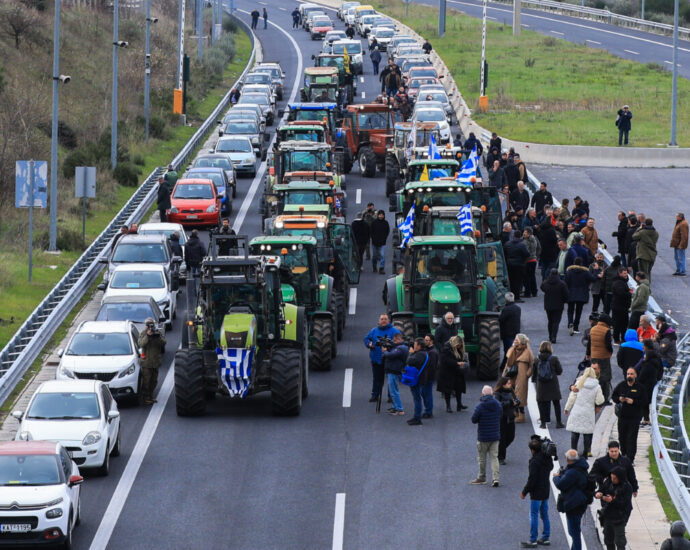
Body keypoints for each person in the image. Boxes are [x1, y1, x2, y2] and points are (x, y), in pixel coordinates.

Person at [553, 449, 589, 550]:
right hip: (580, 502)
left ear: (568, 459)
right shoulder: (581, 467)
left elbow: (561, 484)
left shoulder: (573, 472)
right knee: (574, 531)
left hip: (573, 503)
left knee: (574, 532)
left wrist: (556, 478)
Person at [520, 438, 554, 548]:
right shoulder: (547, 458)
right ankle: (545, 537)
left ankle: (533, 539)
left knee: (533, 515)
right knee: (545, 515)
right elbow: (551, 467)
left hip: (536, 493)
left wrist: (524, 492)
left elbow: (532, 480)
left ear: (532, 450)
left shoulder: (534, 462)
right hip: (545, 491)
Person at [565, 366, 605, 457]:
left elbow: (572, 397)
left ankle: (573, 451)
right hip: (589, 412)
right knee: (587, 433)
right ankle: (586, 453)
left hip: (577, 411)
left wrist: (567, 408)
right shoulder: (597, 386)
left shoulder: (579, 383)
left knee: (575, 431)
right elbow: (600, 401)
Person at [363, 313, 400, 403]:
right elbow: (366, 338)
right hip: (377, 359)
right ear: (379, 321)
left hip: (390, 359)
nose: (383, 321)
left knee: (391, 379)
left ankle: (391, 396)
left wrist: (390, 346)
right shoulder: (374, 331)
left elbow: (399, 343)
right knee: (377, 379)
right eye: (382, 319)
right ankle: (375, 395)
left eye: (385, 319)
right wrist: (369, 344)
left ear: (389, 321)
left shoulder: (394, 331)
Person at [612, 368, 647, 462]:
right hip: (622, 416)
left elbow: (644, 401)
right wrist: (619, 399)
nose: (629, 376)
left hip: (634, 417)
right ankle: (623, 454)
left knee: (631, 438)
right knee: (622, 437)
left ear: (635, 375)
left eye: (631, 374)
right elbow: (614, 396)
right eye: (628, 374)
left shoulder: (640, 388)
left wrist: (633, 401)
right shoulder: (621, 385)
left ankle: (630, 458)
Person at [470, 385, 502, 487]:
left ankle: (481, 477)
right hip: (495, 435)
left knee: (482, 459)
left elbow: (474, 420)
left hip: (483, 436)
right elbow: (500, 416)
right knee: (494, 458)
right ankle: (496, 478)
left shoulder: (480, 406)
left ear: (483, 394)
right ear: (492, 393)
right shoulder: (498, 405)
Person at [596, 466, 633, 550]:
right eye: (612, 477)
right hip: (607, 515)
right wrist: (598, 494)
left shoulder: (626, 487)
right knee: (608, 540)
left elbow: (625, 503)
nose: (613, 480)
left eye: (615, 478)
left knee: (620, 541)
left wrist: (612, 500)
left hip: (619, 517)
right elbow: (601, 490)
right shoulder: (608, 482)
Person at [532, 341, 564, 429]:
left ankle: (543, 423)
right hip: (552, 383)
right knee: (556, 403)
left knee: (541, 403)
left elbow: (534, 373)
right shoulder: (554, 359)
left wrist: (534, 380)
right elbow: (559, 371)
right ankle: (558, 422)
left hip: (541, 384)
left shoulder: (536, 359)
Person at [503, 333, 533, 423]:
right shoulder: (513, 350)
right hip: (512, 374)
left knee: (520, 395)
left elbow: (532, 364)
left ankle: (522, 415)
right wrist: (504, 374)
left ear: (520, 341)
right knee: (512, 393)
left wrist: (527, 374)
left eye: (516, 340)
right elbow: (508, 363)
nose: (514, 341)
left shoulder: (527, 352)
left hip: (521, 376)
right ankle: (515, 411)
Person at [137, 318, 166, 405]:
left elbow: (164, 342)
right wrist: (148, 336)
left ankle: (150, 396)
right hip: (146, 362)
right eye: (148, 324)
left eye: (151, 324)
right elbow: (141, 344)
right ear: (146, 326)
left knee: (154, 381)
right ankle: (146, 397)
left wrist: (157, 337)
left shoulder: (157, 332)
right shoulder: (143, 333)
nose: (150, 326)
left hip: (155, 361)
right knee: (146, 381)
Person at [587, 313, 614, 403]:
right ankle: (604, 399)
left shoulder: (592, 329)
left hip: (594, 356)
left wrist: (588, 354)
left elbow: (589, 343)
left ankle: (594, 398)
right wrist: (610, 352)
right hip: (604, 357)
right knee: (605, 378)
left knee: (594, 376)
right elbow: (608, 345)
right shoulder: (606, 330)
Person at [437, 335, 468, 412]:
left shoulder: (458, 349)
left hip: (457, 371)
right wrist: (457, 363)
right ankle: (448, 406)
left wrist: (463, 363)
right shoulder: (446, 349)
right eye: (459, 345)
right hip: (447, 373)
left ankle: (459, 404)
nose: (460, 346)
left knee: (459, 388)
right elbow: (445, 361)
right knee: (447, 390)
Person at [406, 337, 431, 426]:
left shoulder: (420, 355)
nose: (414, 346)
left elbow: (409, 361)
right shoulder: (424, 353)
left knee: (417, 399)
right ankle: (416, 417)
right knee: (417, 398)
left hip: (417, 379)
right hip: (420, 378)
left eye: (415, 344)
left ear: (419, 346)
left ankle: (417, 418)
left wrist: (411, 353)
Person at [382, 332, 408, 416]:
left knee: (394, 391)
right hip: (392, 370)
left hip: (394, 371)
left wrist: (385, 351)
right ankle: (395, 407)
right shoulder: (399, 347)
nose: (394, 342)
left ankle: (399, 409)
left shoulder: (401, 348)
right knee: (393, 390)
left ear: (399, 339)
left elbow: (391, 355)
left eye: (395, 340)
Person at [494, 377, 518, 464]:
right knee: (502, 438)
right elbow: (498, 405)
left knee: (511, 437)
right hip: (502, 418)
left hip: (510, 417)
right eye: (508, 383)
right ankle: (501, 457)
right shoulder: (498, 393)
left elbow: (514, 400)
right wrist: (509, 403)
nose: (510, 384)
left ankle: (498, 451)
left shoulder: (511, 391)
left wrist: (516, 402)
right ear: (503, 384)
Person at [637, 339, 662, 424]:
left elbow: (642, 375)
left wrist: (637, 382)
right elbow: (661, 370)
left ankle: (646, 419)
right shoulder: (657, 358)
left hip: (646, 385)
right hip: (653, 383)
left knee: (644, 402)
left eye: (643, 345)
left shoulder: (648, 363)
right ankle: (646, 419)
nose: (642, 347)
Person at [541, 268, 569, 344]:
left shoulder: (546, 283)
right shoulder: (562, 284)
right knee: (556, 322)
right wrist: (564, 301)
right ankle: (554, 336)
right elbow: (566, 294)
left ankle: (550, 336)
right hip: (558, 305)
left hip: (548, 305)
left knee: (550, 321)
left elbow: (542, 287)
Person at [504, 232, 530, 302]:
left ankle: (511, 297)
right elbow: (527, 254)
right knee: (518, 281)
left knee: (511, 280)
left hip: (509, 264)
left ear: (513, 235)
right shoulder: (522, 245)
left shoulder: (507, 244)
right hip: (519, 265)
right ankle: (517, 297)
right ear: (520, 236)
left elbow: (504, 253)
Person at [499, 292, 521, 369]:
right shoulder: (518, 308)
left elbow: (501, 320)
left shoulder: (506, 309)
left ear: (506, 300)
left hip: (507, 333)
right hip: (516, 332)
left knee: (508, 350)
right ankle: (504, 366)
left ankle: (507, 366)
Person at [633, 218, 659, 283]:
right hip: (652, 254)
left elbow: (634, 236)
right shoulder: (656, 233)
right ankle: (648, 284)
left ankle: (645, 286)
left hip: (643, 255)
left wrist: (639, 228)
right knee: (648, 272)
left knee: (643, 272)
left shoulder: (642, 232)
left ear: (645, 224)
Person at [611, 268, 632, 344]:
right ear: (620, 274)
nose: (626, 275)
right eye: (624, 273)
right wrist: (629, 293)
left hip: (622, 306)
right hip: (619, 307)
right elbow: (621, 294)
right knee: (618, 324)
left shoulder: (622, 281)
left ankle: (622, 338)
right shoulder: (618, 283)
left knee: (624, 323)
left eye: (626, 273)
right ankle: (617, 339)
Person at [422, 333, 438, 418]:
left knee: (427, 394)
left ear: (431, 341)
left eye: (426, 340)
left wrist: (427, 377)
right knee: (424, 393)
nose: (425, 341)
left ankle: (428, 412)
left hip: (428, 377)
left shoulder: (432, 352)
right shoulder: (427, 350)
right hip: (425, 376)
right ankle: (427, 409)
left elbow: (432, 367)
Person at [523, 227, 540, 298]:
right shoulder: (535, 239)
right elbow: (539, 248)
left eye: (525, 232)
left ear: (529, 234)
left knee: (527, 277)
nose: (523, 233)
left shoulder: (526, 241)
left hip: (528, 260)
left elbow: (525, 251)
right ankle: (534, 292)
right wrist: (536, 256)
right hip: (534, 260)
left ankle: (527, 293)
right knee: (532, 276)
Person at [370, 210, 390, 274]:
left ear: (384, 216)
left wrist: (384, 238)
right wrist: (373, 238)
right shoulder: (374, 223)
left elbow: (387, 231)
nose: (381, 216)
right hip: (374, 242)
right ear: (378, 215)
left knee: (382, 255)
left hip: (383, 243)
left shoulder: (386, 223)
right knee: (375, 256)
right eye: (380, 215)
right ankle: (374, 267)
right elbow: (371, 231)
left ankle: (381, 268)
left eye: (382, 215)